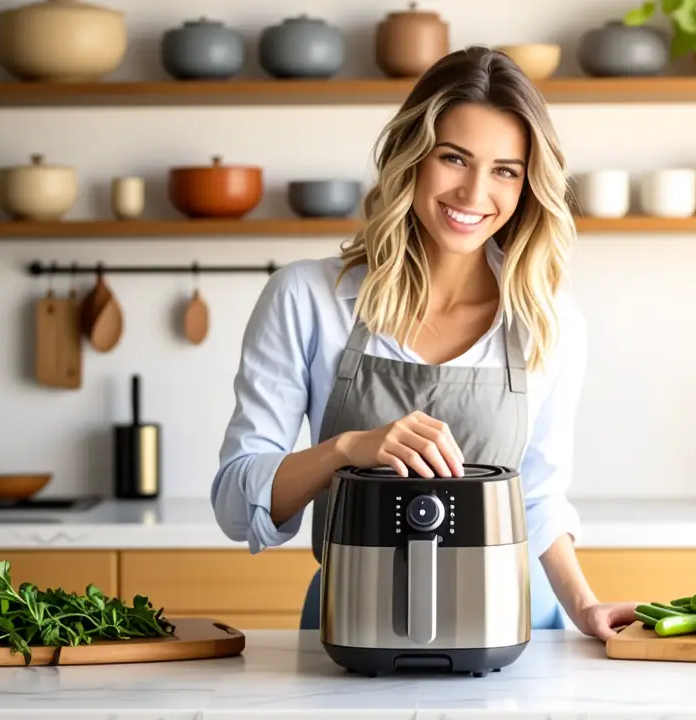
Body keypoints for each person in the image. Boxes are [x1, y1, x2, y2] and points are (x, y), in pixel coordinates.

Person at [210, 46, 637, 641]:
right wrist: (346, 449)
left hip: (512, 618)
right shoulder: (307, 297)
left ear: (527, 185)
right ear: (411, 156)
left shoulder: (546, 319)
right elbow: (236, 502)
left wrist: (584, 605)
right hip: (354, 616)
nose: (473, 193)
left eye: (505, 170)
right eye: (454, 158)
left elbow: (537, 497)